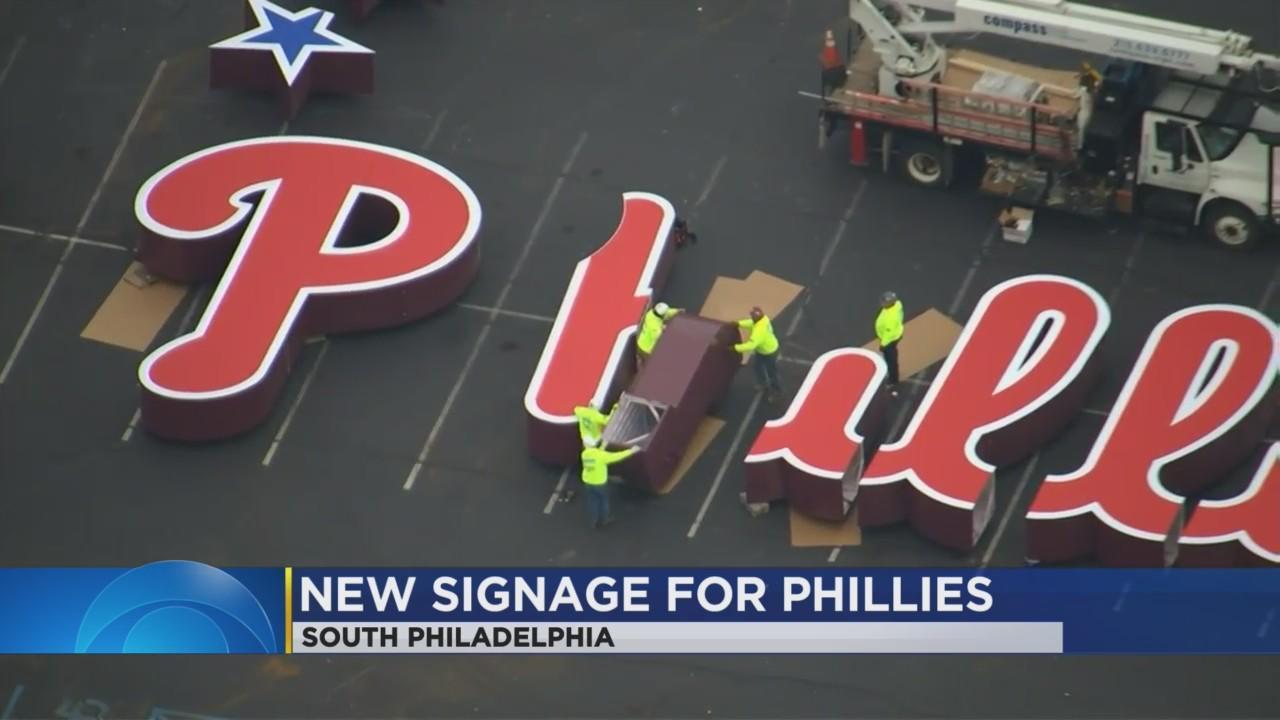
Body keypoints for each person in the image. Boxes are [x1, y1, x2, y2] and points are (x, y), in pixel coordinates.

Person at [580, 438, 639, 529]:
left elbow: (596, 454)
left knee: (593, 502)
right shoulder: (601, 455)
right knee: (604, 501)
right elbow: (616, 456)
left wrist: (603, 446)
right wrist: (632, 451)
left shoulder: (584, 454)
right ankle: (604, 520)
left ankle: (593, 521)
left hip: (588, 482)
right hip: (599, 483)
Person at [735, 306, 782, 401]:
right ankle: (763, 383)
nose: (751, 317)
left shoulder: (759, 330)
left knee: (772, 373)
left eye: (752, 315)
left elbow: (750, 345)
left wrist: (735, 348)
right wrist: (738, 324)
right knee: (757, 367)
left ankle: (777, 392)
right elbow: (751, 323)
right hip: (762, 351)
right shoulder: (763, 319)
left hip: (769, 353)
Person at [636, 301, 682, 366]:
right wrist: (663, 329)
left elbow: (667, 312)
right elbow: (658, 337)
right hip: (646, 349)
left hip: (640, 342)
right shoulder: (655, 326)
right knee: (648, 366)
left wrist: (677, 311)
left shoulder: (651, 313)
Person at [876, 291, 904, 395]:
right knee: (890, 358)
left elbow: (889, 333)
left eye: (883, 302)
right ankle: (893, 377)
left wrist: (883, 344)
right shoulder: (897, 305)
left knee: (891, 359)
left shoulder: (891, 318)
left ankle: (893, 380)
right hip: (895, 334)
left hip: (890, 341)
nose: (881, 303)